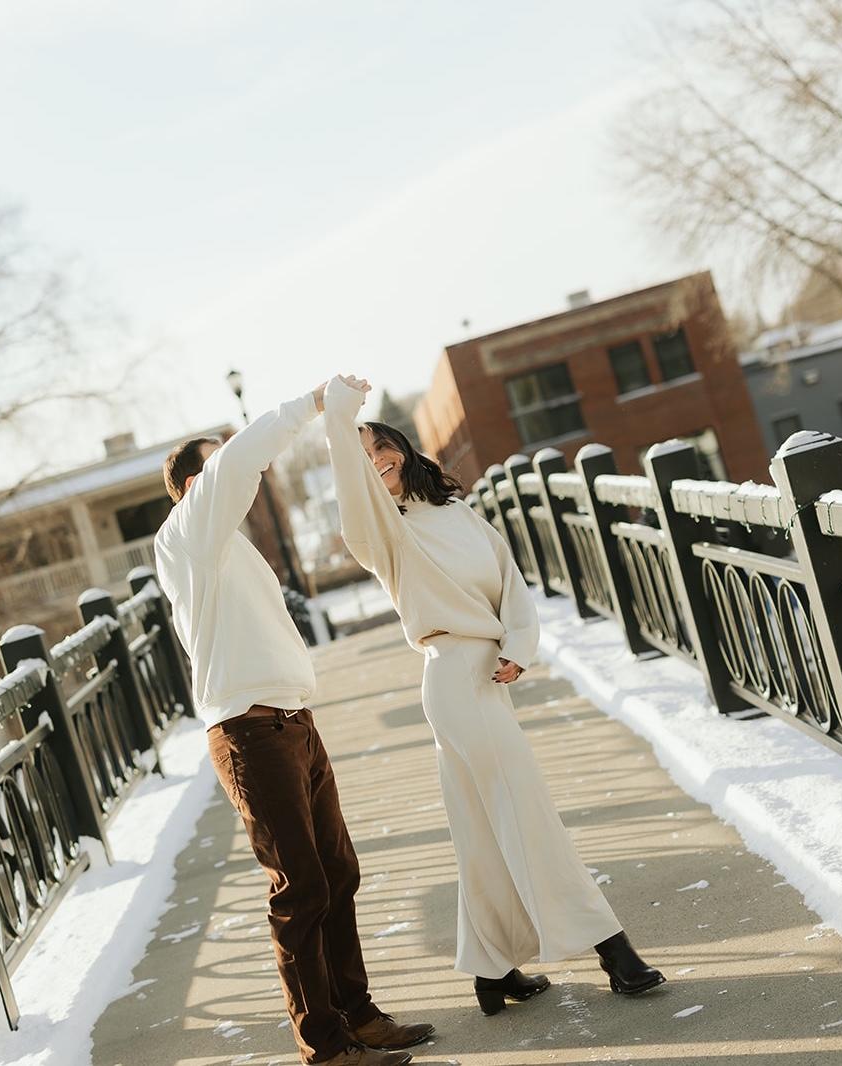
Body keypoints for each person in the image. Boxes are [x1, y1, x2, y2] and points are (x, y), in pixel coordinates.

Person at [323, 374, 666, 1016]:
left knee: (481, 830)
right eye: (363, 454)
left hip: (488, 674)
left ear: (403, 446)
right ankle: (613, 950)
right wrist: (340, 419)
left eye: (383, 446)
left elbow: (511, 582)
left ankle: (491, 969)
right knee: (527, 813)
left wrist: (517, 648)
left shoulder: (454, 512)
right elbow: (353, 496)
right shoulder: (383, 536)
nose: (378, 460)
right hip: (453, 678)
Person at [154, 382, 434, 1066]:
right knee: (300, 887)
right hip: (249, 735)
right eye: (221, 466)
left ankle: (356, 1013)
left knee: (337, 872)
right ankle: (325, 1045)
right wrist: (307, 406)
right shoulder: (188, 537)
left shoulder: (227, 548)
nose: (244, 477)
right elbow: (241, 461)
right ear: (196, 483)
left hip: (291, 724)